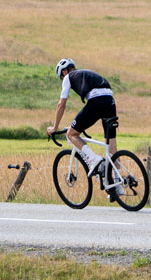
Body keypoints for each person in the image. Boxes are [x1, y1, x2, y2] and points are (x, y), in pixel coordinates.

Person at [49, 58, 121, 199]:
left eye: (60, 77)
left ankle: (95, 160)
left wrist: (55, 127)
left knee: (71, 134)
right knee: (110, 144)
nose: (62, 80)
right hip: (110, 100)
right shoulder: (85, 73)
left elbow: (61, 104)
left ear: (64, 71)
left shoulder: (68, 77)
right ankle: (117, 185)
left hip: (96, 101)